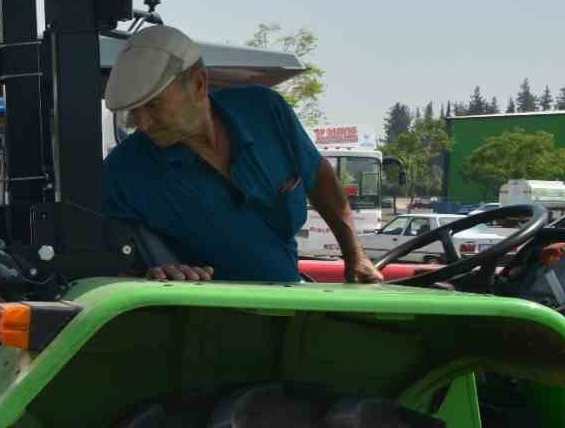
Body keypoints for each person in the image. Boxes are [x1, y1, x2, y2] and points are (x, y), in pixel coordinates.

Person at [102, 25, 382, 284]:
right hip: (207, 323)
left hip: (291, 303)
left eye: (153, 104)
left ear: (199, 84)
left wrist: (354, 255)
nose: (142, 123)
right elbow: (96, 261)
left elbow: (318, 176)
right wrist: (148, 275)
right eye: (133, 110)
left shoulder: (266, 111)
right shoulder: (122, 171)